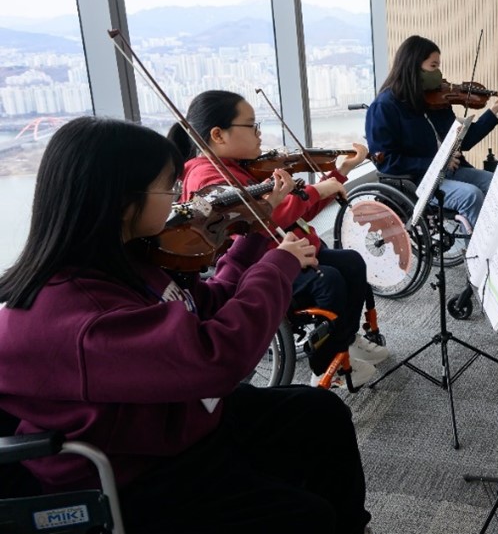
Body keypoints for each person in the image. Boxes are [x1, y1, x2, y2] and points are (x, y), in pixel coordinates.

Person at [0, 117, 373, 534]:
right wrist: (277, 269)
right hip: (138, 473)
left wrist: (251, 242)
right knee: (305, 517)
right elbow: (216, 358)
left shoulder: (125, 262)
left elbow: (205, 304)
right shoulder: (80, 319)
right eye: (168, 188)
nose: (180, 200)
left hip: (178, 423)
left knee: (319, 412)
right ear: (124, 203)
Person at [172, 90, 388, 388]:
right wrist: (317, 190)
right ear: (218, 135)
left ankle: (345, 339)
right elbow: (266, 220)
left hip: (291, 249)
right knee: (330, 281)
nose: (260, 135)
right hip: (257, 264)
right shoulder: (207, 179)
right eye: (252, 126)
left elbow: (294, 210)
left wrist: (339, 173)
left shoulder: (238, 168)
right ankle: (326, 366)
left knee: (352, 262)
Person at [364, 34, 498, 230]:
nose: (439, 73)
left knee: (496, 183)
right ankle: (482, 254)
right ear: (413, 66)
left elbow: (464, 142)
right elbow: (386, 162)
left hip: (448, 172)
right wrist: (436, 163)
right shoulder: (384, 106)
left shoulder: (435, 100)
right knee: (471, 194)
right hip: (417, 181)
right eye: (433, 66)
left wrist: (494, 110)